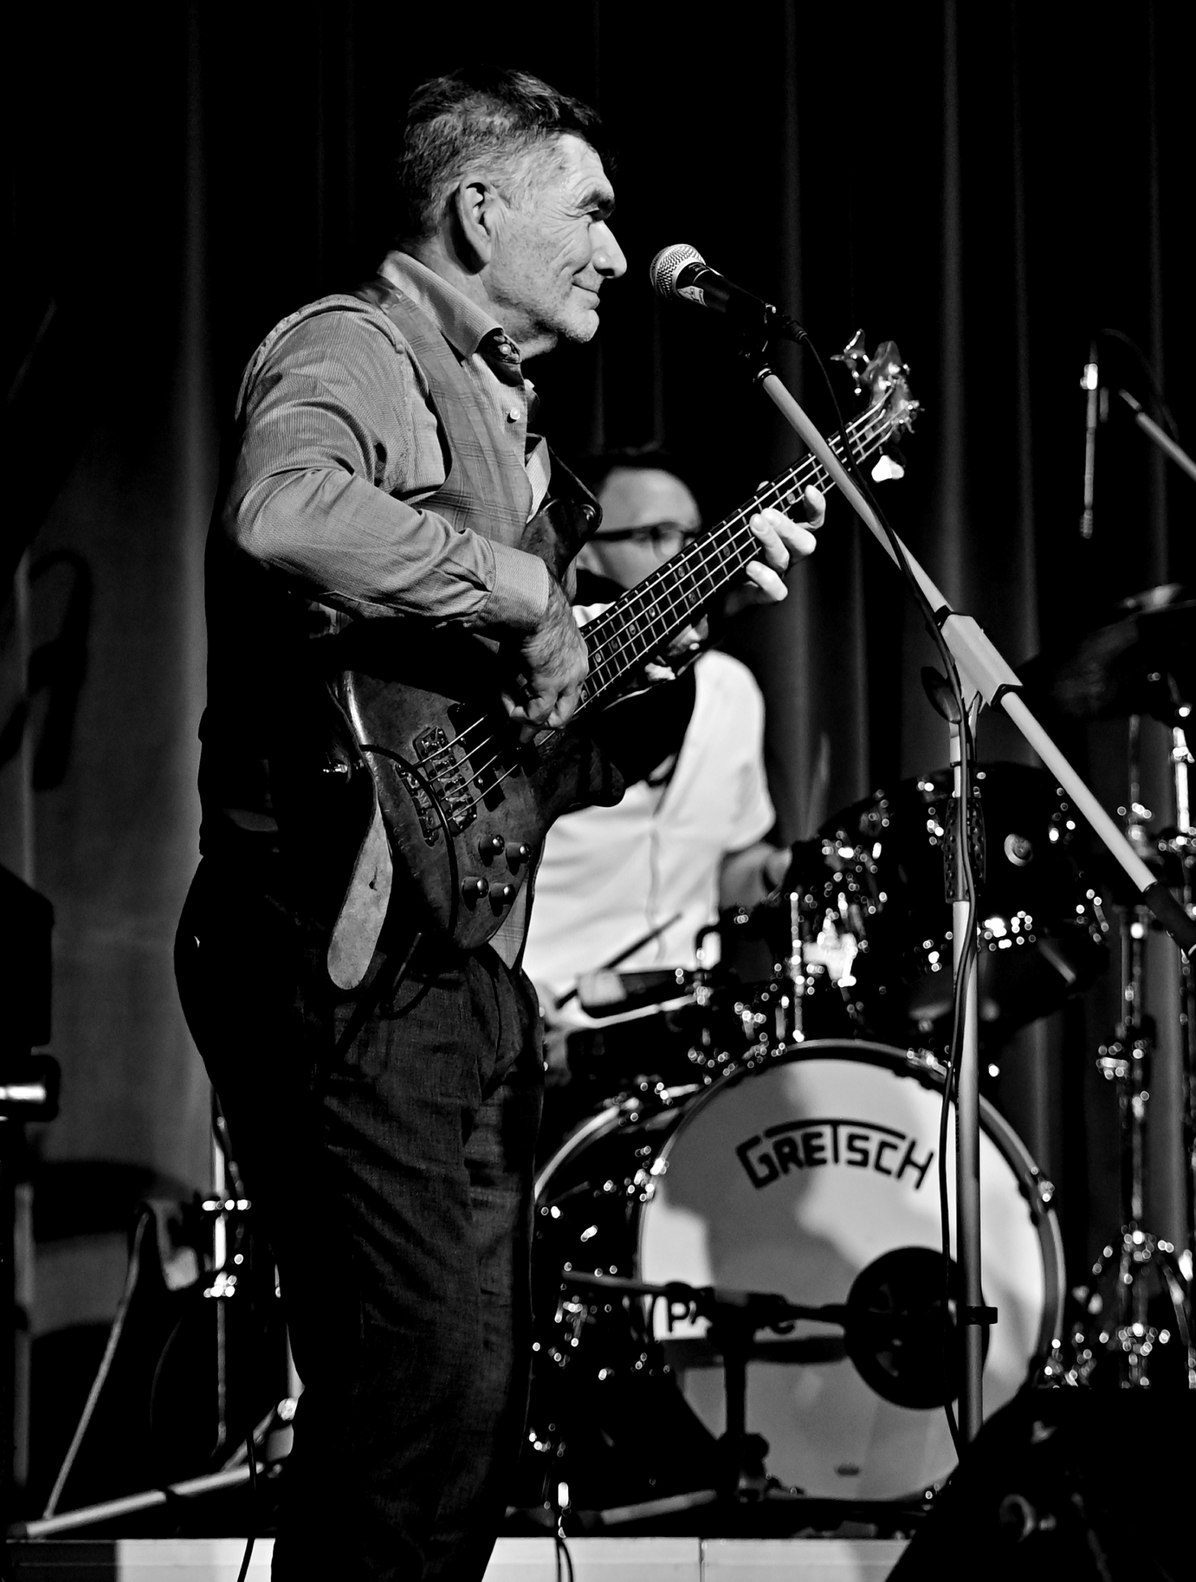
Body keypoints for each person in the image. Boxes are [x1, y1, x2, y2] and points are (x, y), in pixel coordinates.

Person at [173, 68, 819, 1581]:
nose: (614, 250)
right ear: (478, 210)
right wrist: (533, 597)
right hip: (338, 951)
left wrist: (646, 651)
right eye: (588, 212)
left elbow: (515, 747)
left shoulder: (512, 418)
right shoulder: (354, 344)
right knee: (419, 1406)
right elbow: (283, 512)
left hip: (452, 962)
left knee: (443, 1415)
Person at [521, 456, 791, 1111]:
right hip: (545, 1032)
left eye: (695, 535)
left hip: (681, 1035)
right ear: (587, 553)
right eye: (657, 536)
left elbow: (726, 870)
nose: (689, 556)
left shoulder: (732, 690)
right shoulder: (542, 683)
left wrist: (786, 872)